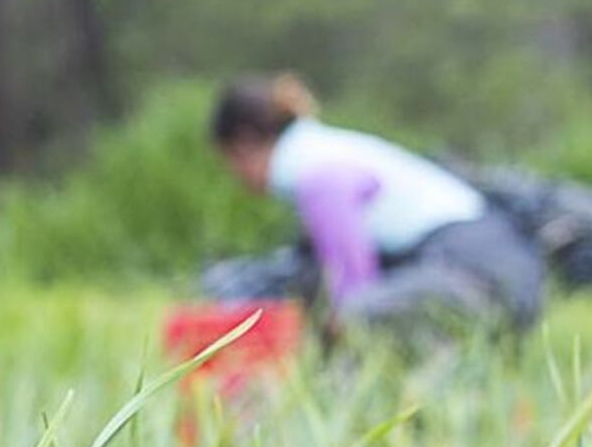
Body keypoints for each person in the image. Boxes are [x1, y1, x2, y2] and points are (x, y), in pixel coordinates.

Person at [208, 75, 545, 346]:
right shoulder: (321, 145)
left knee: (355, 316)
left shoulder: (313, 169)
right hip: (497, 265)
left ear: (243, 146)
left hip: (480, 273)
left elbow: (353, 286)